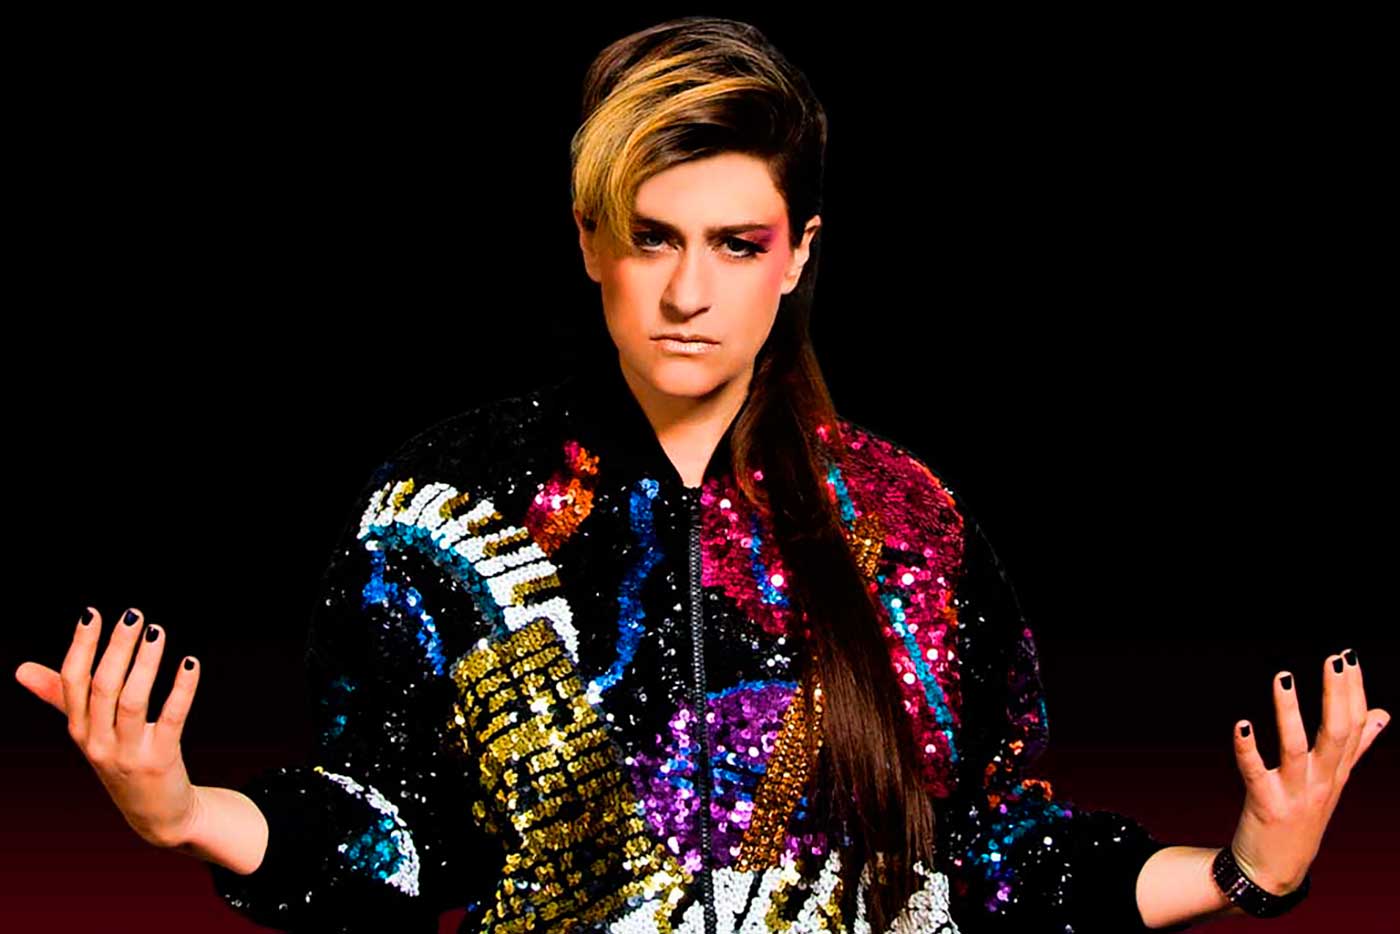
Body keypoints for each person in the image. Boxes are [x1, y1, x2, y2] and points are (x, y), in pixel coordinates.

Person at [15, 15, 1389, 934]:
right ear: (588, 242)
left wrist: (1243, 871)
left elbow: (989, 858)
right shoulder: (444, 505)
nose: (688, 291)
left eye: (737, 243)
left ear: (799, 256)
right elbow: (388, 838)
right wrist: (183, 814)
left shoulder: (906, 526)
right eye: (651, 236)